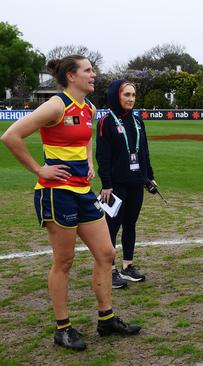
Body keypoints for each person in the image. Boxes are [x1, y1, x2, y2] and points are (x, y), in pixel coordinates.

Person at [0, 55, 141, 351]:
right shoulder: (55, 105)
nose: (94, 74)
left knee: (105, 253)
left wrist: (88, 161)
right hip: (56, 193)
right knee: (63, 262)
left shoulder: (88, 107)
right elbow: (11, 136)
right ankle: (62, 328)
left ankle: (106, 319)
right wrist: (39, 169)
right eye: (88, 70)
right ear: (71, 76)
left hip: (83, 190)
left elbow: (85, 139)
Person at [96, 80, 155, 288]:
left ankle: (127, 266)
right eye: (126, 95)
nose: (131, 99)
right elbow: (102, 156)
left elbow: (144, 152)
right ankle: (110, 270)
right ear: (116, 96)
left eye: (133, 95)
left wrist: (149, 176)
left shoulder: (138, 121)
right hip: (115, 185)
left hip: (136, 182)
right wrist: (106, 184)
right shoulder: (106, 121)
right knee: (111, 227)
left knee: (130, 224)